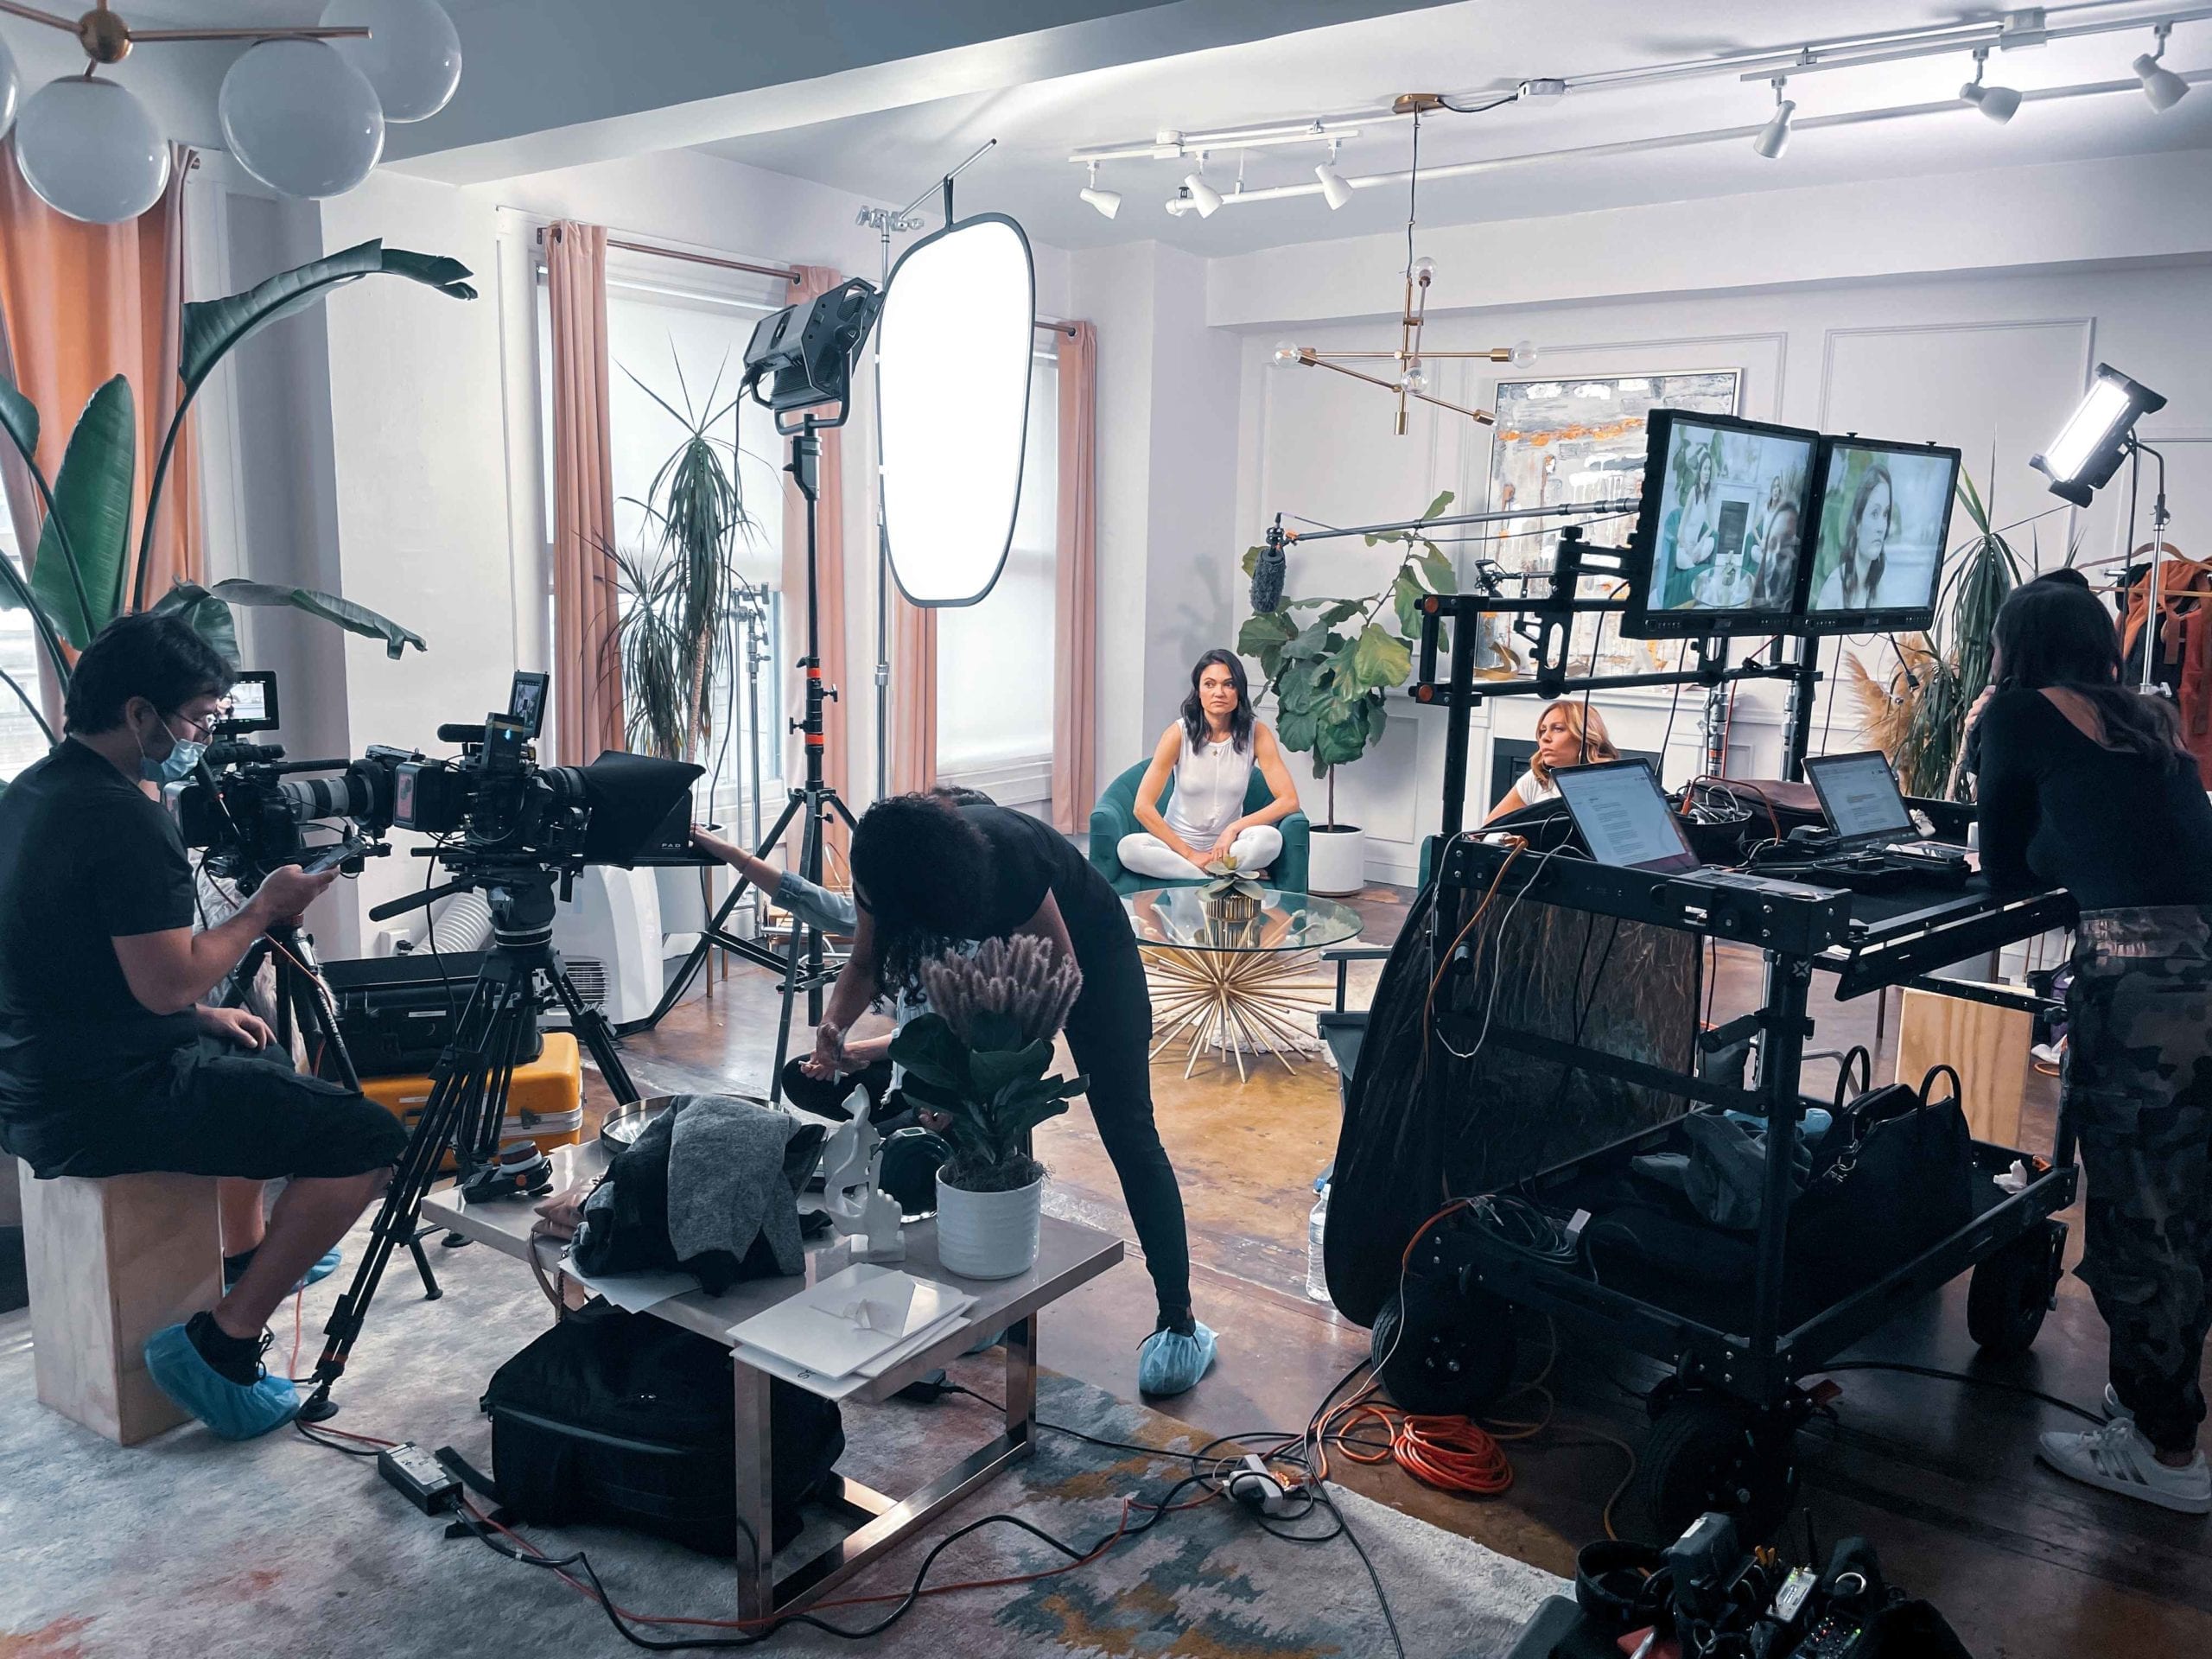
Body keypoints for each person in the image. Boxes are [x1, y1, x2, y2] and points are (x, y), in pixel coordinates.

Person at [0, 614, 406, 1440]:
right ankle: (221, 1342)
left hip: (37, 1074)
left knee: (244, 1038)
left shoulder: (32, 790)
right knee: (367, 1140)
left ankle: (248, 1254)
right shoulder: (124, 817)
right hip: (104, 1100)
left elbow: (78, 962)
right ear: (141, 713)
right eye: (197, 720)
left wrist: (198, 1011)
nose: (201, 738)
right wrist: (265, 909)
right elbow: (166, 981)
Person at [818, 793, 1215, 1395]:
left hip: (1093, 962)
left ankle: (1179, 1321)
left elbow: (1063, 969)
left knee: (1129, 1130)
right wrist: (834, 1026)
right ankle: (999, 1306)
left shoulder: (1005, 857)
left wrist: (993, 1066)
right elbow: (867, 961)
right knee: (987, 1149)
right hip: (994, 967)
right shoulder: (886, 873)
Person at [1972, 578, 2212, 1513]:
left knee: (2136, 1217)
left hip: (2146, 995)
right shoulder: (2150, 720)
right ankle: (2156, 1399)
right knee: (2188, 1204)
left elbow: (2001, 866)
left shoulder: (2017, 715)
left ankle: (2165, 1452)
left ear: (2014, 648)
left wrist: (2045, 850)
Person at [689, 785, 995, 1117]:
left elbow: (971, 1046)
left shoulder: (985, 935)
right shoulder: (907, 906)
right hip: (909, 1072)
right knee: (801, 1077)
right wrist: (732, 853)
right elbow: (816, 903)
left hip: (959, 1089)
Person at [1118, 649, 1300, 881]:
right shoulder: (1177, 734)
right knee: (1129, 848)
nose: (1219, 693)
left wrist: (1232, 830)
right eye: (1210, 684)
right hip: (1177, 846)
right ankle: (1213, 877)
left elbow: (1289, 801)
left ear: (1239, 691)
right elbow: (1142, 807)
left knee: (1270, 840)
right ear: (1199, 691)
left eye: (1228, 684)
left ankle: (1203, 874)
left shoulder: (1257, 734)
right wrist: (1190, 853)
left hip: (1229, 847)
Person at [1483, 700, 1620, 824]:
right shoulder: (1537, 778)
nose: (1545, 738)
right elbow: (1484, 832)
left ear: (1584, 737)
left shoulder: (1611, 783)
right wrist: (1508, 839)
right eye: (1543, 731)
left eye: (1558, 729)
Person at [1815, 462, 1894, 613]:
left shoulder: (1878, 589)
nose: (1881, 527)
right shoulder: (1835, 586)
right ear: (1857, 523)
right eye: (1874, 513)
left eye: (1885, 514)